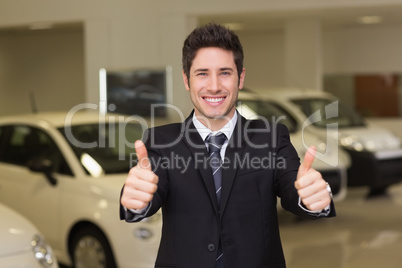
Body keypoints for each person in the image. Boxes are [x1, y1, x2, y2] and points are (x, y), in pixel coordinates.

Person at [120, 23, 335, 268]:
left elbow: (292, 189)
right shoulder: (161, 141)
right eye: (202, 73)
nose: (213, 86)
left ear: (240, 77)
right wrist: (137, 201)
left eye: (224, 72)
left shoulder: (270, 137)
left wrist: (313, 197)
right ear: (186, 79)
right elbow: (149, 194)